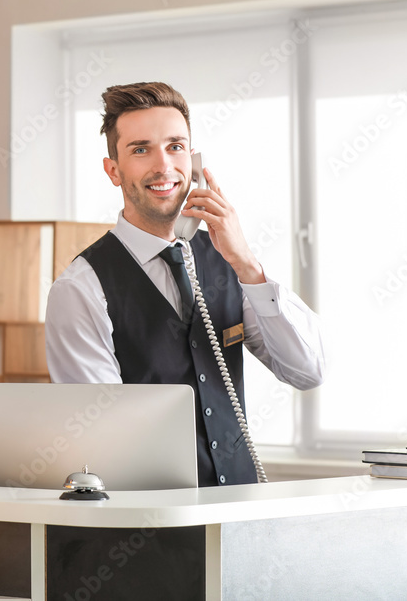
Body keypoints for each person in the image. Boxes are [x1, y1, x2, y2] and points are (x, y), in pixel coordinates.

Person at [45, 82, 325, 487]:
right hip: (150, 527)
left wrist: (246, 263)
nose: (164, 166)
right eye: (140, 149)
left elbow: (308, 371)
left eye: (175, 146)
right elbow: (102, 439)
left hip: (238, 520)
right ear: (113, 170)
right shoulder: (81, 288)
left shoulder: (228, 259)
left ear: (193, 161)